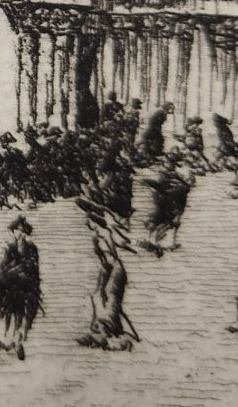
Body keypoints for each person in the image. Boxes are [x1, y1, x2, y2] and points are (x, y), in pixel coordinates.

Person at [77, 200, 139, 352]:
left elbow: (122, 242)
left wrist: (130, 247)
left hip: (115, 269)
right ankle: (100, 329)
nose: (87, 222)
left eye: (89, 220)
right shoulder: (98, 234)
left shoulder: (106, 233)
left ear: (95, 221)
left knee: (110, 298)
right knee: (97, 295)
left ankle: (111, 332)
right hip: (106, 268)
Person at [0, 215, 42, 360]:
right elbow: (5, 265)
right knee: (12, 313)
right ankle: (12, 338)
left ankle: (18, 339)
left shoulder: (30, 248)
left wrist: (10, 271)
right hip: (13, 287)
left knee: (23, 314)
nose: (16, 233)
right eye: (15, 230)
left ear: (24, 232)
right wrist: (2, 275)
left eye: (18, 230)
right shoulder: (11, 248)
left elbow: (31, 267)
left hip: (26, 287)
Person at [141, 151, 192, 255]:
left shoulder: (175, 176)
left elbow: (184, 188)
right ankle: (158, 241)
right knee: (163, 222)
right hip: (167, 203)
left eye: (168, 163)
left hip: (173, 203)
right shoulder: (166, 175)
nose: (166, 165)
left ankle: (163, 242)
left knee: (168, 222)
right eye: (166, 163)